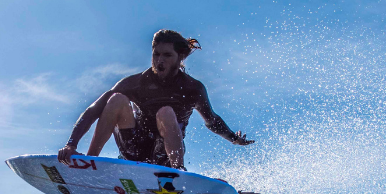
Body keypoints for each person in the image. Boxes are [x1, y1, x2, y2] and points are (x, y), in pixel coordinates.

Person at [58, 29, 253, 171]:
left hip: (164, 158)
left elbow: (211, 120)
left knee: (166, 112)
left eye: (167, 55)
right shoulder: (136, 83)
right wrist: (71, 144)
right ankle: (90, 163)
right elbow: (94, 110)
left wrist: (233, 138)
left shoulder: (193, 88)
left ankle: (178, 173)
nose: (160, 60)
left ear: (180, 57)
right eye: (156, 54)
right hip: (134, 148)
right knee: (116, 99)